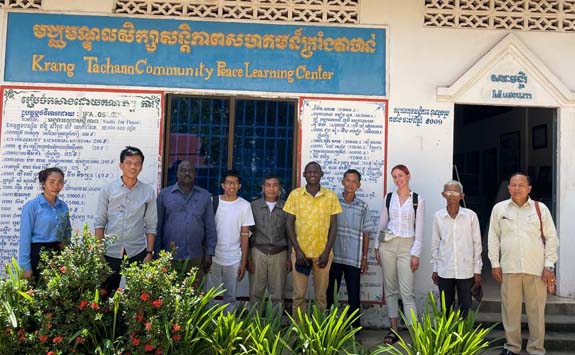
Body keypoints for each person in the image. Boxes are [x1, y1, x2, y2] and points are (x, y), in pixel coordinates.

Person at [488, 172, 558, 355]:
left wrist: (549, 265)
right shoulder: (499, 209)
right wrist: (494, 263)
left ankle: (536, 348)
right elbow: (493, 238)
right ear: (508, 187)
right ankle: (512, 347)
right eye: (513, 185)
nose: (517, 188)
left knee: (536, 312)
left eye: (521, 185)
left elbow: (551, 238)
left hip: (536, 268)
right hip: (509, 268)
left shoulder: (540, 209)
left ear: (529, 188)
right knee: (510, 311)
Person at [94, 146, 157, 295]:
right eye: (128, 162)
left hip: (137, 251)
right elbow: (99, 222)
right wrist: (99, 252)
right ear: (121, 165)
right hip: (110, 252)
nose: (133, 166)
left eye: (137, 163)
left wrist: (149, 252)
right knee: (106, 293)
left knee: (135, 295)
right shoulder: (108, 190)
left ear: (141, 166)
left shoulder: (148, 192)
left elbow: (151, 224)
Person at [284, 161, 342, 316]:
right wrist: (297, 250)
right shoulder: (295, 195)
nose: (312, 174)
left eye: (316, 171)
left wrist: (326, 252)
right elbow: (289, 223)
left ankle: (319, 330)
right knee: (299, 296)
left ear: (321, 174)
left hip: (322, 254)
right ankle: (298, 331)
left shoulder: (330, 196)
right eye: (309, 171)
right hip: (300, 254)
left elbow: (334, 226)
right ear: (304, 174)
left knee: (321, 297)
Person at [375, 164, 425, 344]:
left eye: (400, 176)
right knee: (390, 289)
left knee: (407, 293)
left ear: (408, 176)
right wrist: (376, 245)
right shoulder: (389, 198)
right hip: (387, 245)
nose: (398, 179)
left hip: (407, 246)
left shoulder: (417, 199)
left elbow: (419, 229)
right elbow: (382, 222)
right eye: (394, 177)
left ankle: (415, 333)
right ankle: (393, 330)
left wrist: (415, 253)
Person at [326, 169, 376, 328]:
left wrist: (364, 258)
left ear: (358, 185)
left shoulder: (363, 206)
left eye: (354, 181)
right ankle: (328, 327)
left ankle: (355, 330)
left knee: (354, 295)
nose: (350, 184)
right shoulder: (332, 201)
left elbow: (366, 232)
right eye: (348, 180)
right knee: (330, 294)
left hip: (353, 258)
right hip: (334, 256)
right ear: (342, 182)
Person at [156, 160, 217, 284]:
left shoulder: (204, 196)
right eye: (183, 170)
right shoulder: (164, 195)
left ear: (195, 174)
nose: (187, 173)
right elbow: (157, 226)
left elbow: (210, 226)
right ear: (177, 173)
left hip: (196, 257)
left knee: (194, 296)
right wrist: (157, 254)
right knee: (170, 296)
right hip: (169, 257)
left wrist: (209, 253)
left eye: (190, 171)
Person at [431, 180, 482, 318]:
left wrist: (477, 270)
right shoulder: (438, 217)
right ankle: (447, 337)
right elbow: (435, 244)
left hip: (466, 270)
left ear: (461, 196)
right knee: (445, 307)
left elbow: (477, 244)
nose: (451, 195)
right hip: (444, 269)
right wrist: (435, 268)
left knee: (465, 307)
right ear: (443, 195)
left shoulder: (471, 216)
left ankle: (463, 337)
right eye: (448, 192)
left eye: (455, 192)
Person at [207, 169, 254, 313]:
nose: (232, 186)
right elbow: (206, 229)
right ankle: (210, 326)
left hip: (234, 258)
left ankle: (227, 329)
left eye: (235, 183)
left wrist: (243, 261)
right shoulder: (212, 202)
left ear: (239, 186)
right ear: (222, 185)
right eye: (228, 183)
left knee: (230, 297)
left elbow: (245, 234)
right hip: (214, 256)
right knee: (211, 296)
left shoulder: (245, 205)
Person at [19, 167, 71, 281]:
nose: (56, 186)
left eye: (60, 182)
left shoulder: (63, 206)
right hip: (38, 254)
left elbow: (67, 234)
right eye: (51, 182)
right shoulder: (32, 206)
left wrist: (69, 259)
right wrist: (25, 266)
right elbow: (24, 238)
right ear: (43, 183)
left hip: (58, 254)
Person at [248, 175, 290, 311]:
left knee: (277, 294)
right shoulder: (254, 206)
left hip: (279, 253)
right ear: (263, 188)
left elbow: (290, 234)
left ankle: (275, 327)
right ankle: (254, 325)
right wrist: (248, 258)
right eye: (268, 185)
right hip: (258, 253)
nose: (271, 188)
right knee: (255, 292)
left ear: (280, 188)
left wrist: (289, 257)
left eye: (275, 185)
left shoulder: (286, 207)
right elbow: (248, 233)